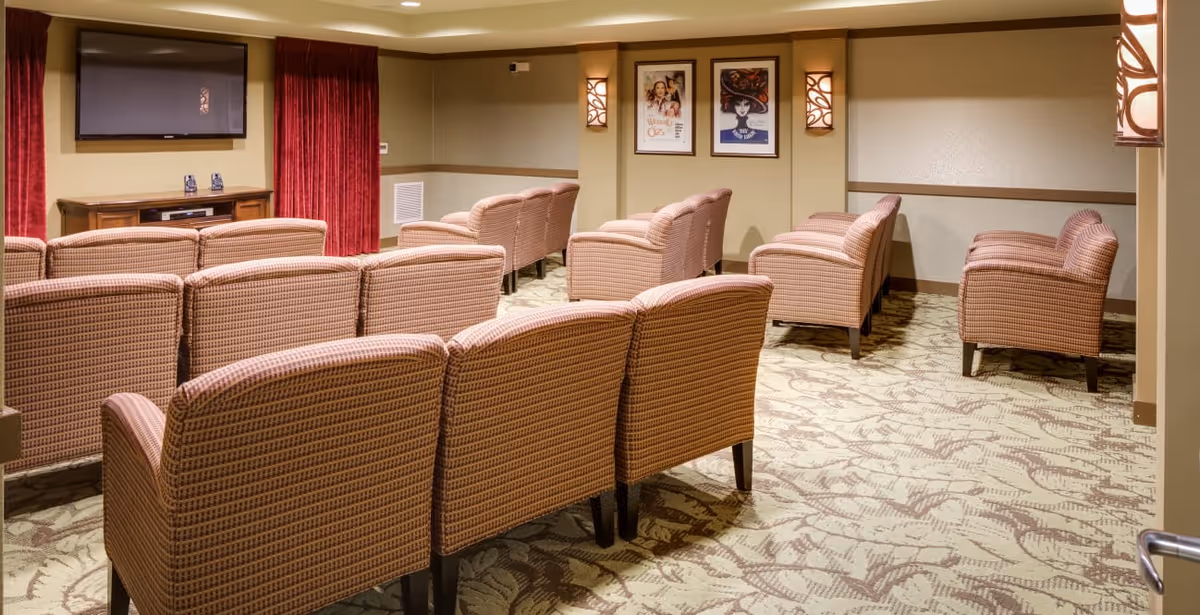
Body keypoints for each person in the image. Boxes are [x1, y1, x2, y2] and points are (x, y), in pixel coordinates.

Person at [719, 68, 770, 144]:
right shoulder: (723, 134)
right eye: (737, 104)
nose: (742, 109)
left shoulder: (763, 134)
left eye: (746, 104)